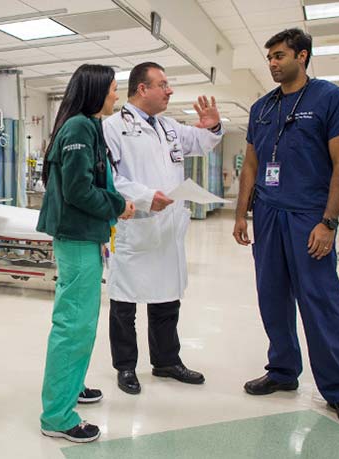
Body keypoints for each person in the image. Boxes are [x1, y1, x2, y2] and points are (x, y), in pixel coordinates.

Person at [233, 28, 339, 429]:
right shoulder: (261, 107)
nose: (272, 64)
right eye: (269, 57)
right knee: (272, 296)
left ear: (302, 56)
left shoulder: (331, 99)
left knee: (319, 301)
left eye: (279, 56)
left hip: (309, 216)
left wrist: (329, 222)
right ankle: (282, 370)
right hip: (268, 214)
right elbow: (252, 165)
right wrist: (241, 214)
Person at [103, 62, 223, 395]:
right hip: (135, 226)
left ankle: (167, 361)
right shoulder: (113, 127)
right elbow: (110, 178)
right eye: (163, 84)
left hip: (168, 229)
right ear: (143, 89)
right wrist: (145, 197)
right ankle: (125, 366)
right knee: (124, 303)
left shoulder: (169, 126)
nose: (170, 90)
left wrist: (213, 127)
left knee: (167, 299)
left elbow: (201, 141)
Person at [37, 64, 135, 443]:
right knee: (74, 324)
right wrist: (118, 205)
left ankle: (71, 386)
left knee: (83, 319)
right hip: (76, 237)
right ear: (95, 91)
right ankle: (57, 416)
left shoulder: (89, 126)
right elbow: (78, 189)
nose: (116, 95)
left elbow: (91, 179)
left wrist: (115, 201)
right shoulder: (79, 127)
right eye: (112, 89)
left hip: (84, 236)